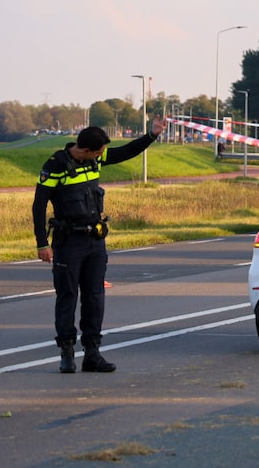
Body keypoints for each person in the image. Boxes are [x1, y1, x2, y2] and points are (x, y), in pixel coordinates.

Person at [33, 117, 165, 373]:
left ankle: (92, 353)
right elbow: (39, 205)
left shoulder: (95, 158)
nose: (102, 156)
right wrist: (41, 243)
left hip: (94, 241)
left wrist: (152, 135)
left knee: (95, 298)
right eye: (99, 151)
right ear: (84, 150)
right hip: (68, 242)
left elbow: (125, 152)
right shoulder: (56, 166)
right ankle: (67, 353)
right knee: (68, 297)